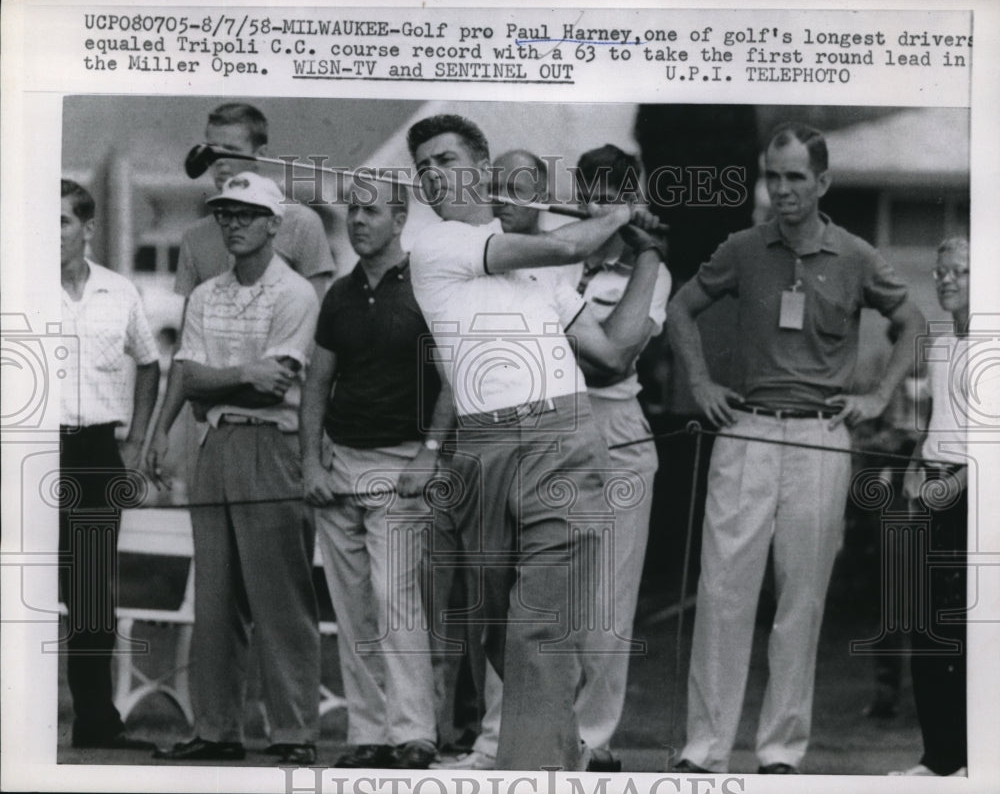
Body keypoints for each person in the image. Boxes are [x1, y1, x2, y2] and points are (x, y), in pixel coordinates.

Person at [405, 114, 665, 772]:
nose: (432, 175)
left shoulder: (538, 275)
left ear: (481, 166)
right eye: (423, 166)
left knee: (538, 629)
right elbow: (560, 247)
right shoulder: (437, 249)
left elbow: (611, 351)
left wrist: (650, 255)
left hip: (565, 440)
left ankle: (529, 773)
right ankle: (556, 747)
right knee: (501, 633)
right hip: (484, 454)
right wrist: (617, 216)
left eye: (445, 159)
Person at [667, 122, 926, 775]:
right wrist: (699, 381)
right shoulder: (743, 249)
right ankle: (704, 750)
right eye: (772, 176)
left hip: (818, 438)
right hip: (747, 430)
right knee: (724, 593)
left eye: (794, 178)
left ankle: (780, 752)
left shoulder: (858, 255)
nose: (781, 190)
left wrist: (877, 397)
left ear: (822, 182)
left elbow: (912, 322)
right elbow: (680, 307)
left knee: (801, 600)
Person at [153, 172, 321, 765]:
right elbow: (190, 375)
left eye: (247, 214)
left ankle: (294, 731)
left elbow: (276, 383)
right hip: (213, 443)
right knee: (216, 600)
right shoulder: (205, 294)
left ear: (275, 224)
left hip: (272, 446)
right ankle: (217, 730)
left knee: (280, 597)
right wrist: (240, 376)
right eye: (225, 213)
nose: (233, 223)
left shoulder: (297, 293)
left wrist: (227, 380)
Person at [300, 177, 450, 769]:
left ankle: (413, 732)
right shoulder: (338, 295)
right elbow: (316, 383)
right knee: (352, 604)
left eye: (371, 211)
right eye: (353, 211)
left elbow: (454, 382)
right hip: (340, 464)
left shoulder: (428, 288)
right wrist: (311, 461)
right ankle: (368, 734)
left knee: (397, 601)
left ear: (399, 217)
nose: (358, 220)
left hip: (401, 463)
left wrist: (428, 453)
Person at [146, 102, 335, 486]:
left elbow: (316, 341)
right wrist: (162, 428)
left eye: (230, 150)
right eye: (211, 150)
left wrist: (320, 439)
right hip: (211, 425)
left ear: (260, 155)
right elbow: (186, 346)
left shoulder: (300, 224)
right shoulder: (196, 236)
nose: (219, 162)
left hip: (282, 426)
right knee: (211, 541)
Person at [58, 179, 160, 750]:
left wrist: (136, 441)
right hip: (28, 452)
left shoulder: (119, 292)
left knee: (92, 592)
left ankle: (95, 722)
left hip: (96, 452)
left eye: (63, 222)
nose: (51, 235)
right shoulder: (17, 286)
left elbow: (150, 364)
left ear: (88, 228)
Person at [891, 237, 971, 777]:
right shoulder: (943, 346)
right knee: (923, 626)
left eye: (958, 271)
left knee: (968, 632)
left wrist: (959, 484)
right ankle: (937, 757)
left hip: (975, 504)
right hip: (935, 493)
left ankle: (973, 759)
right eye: (940, 271)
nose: (945, 280)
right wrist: (916, 464)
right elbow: (938, 424)